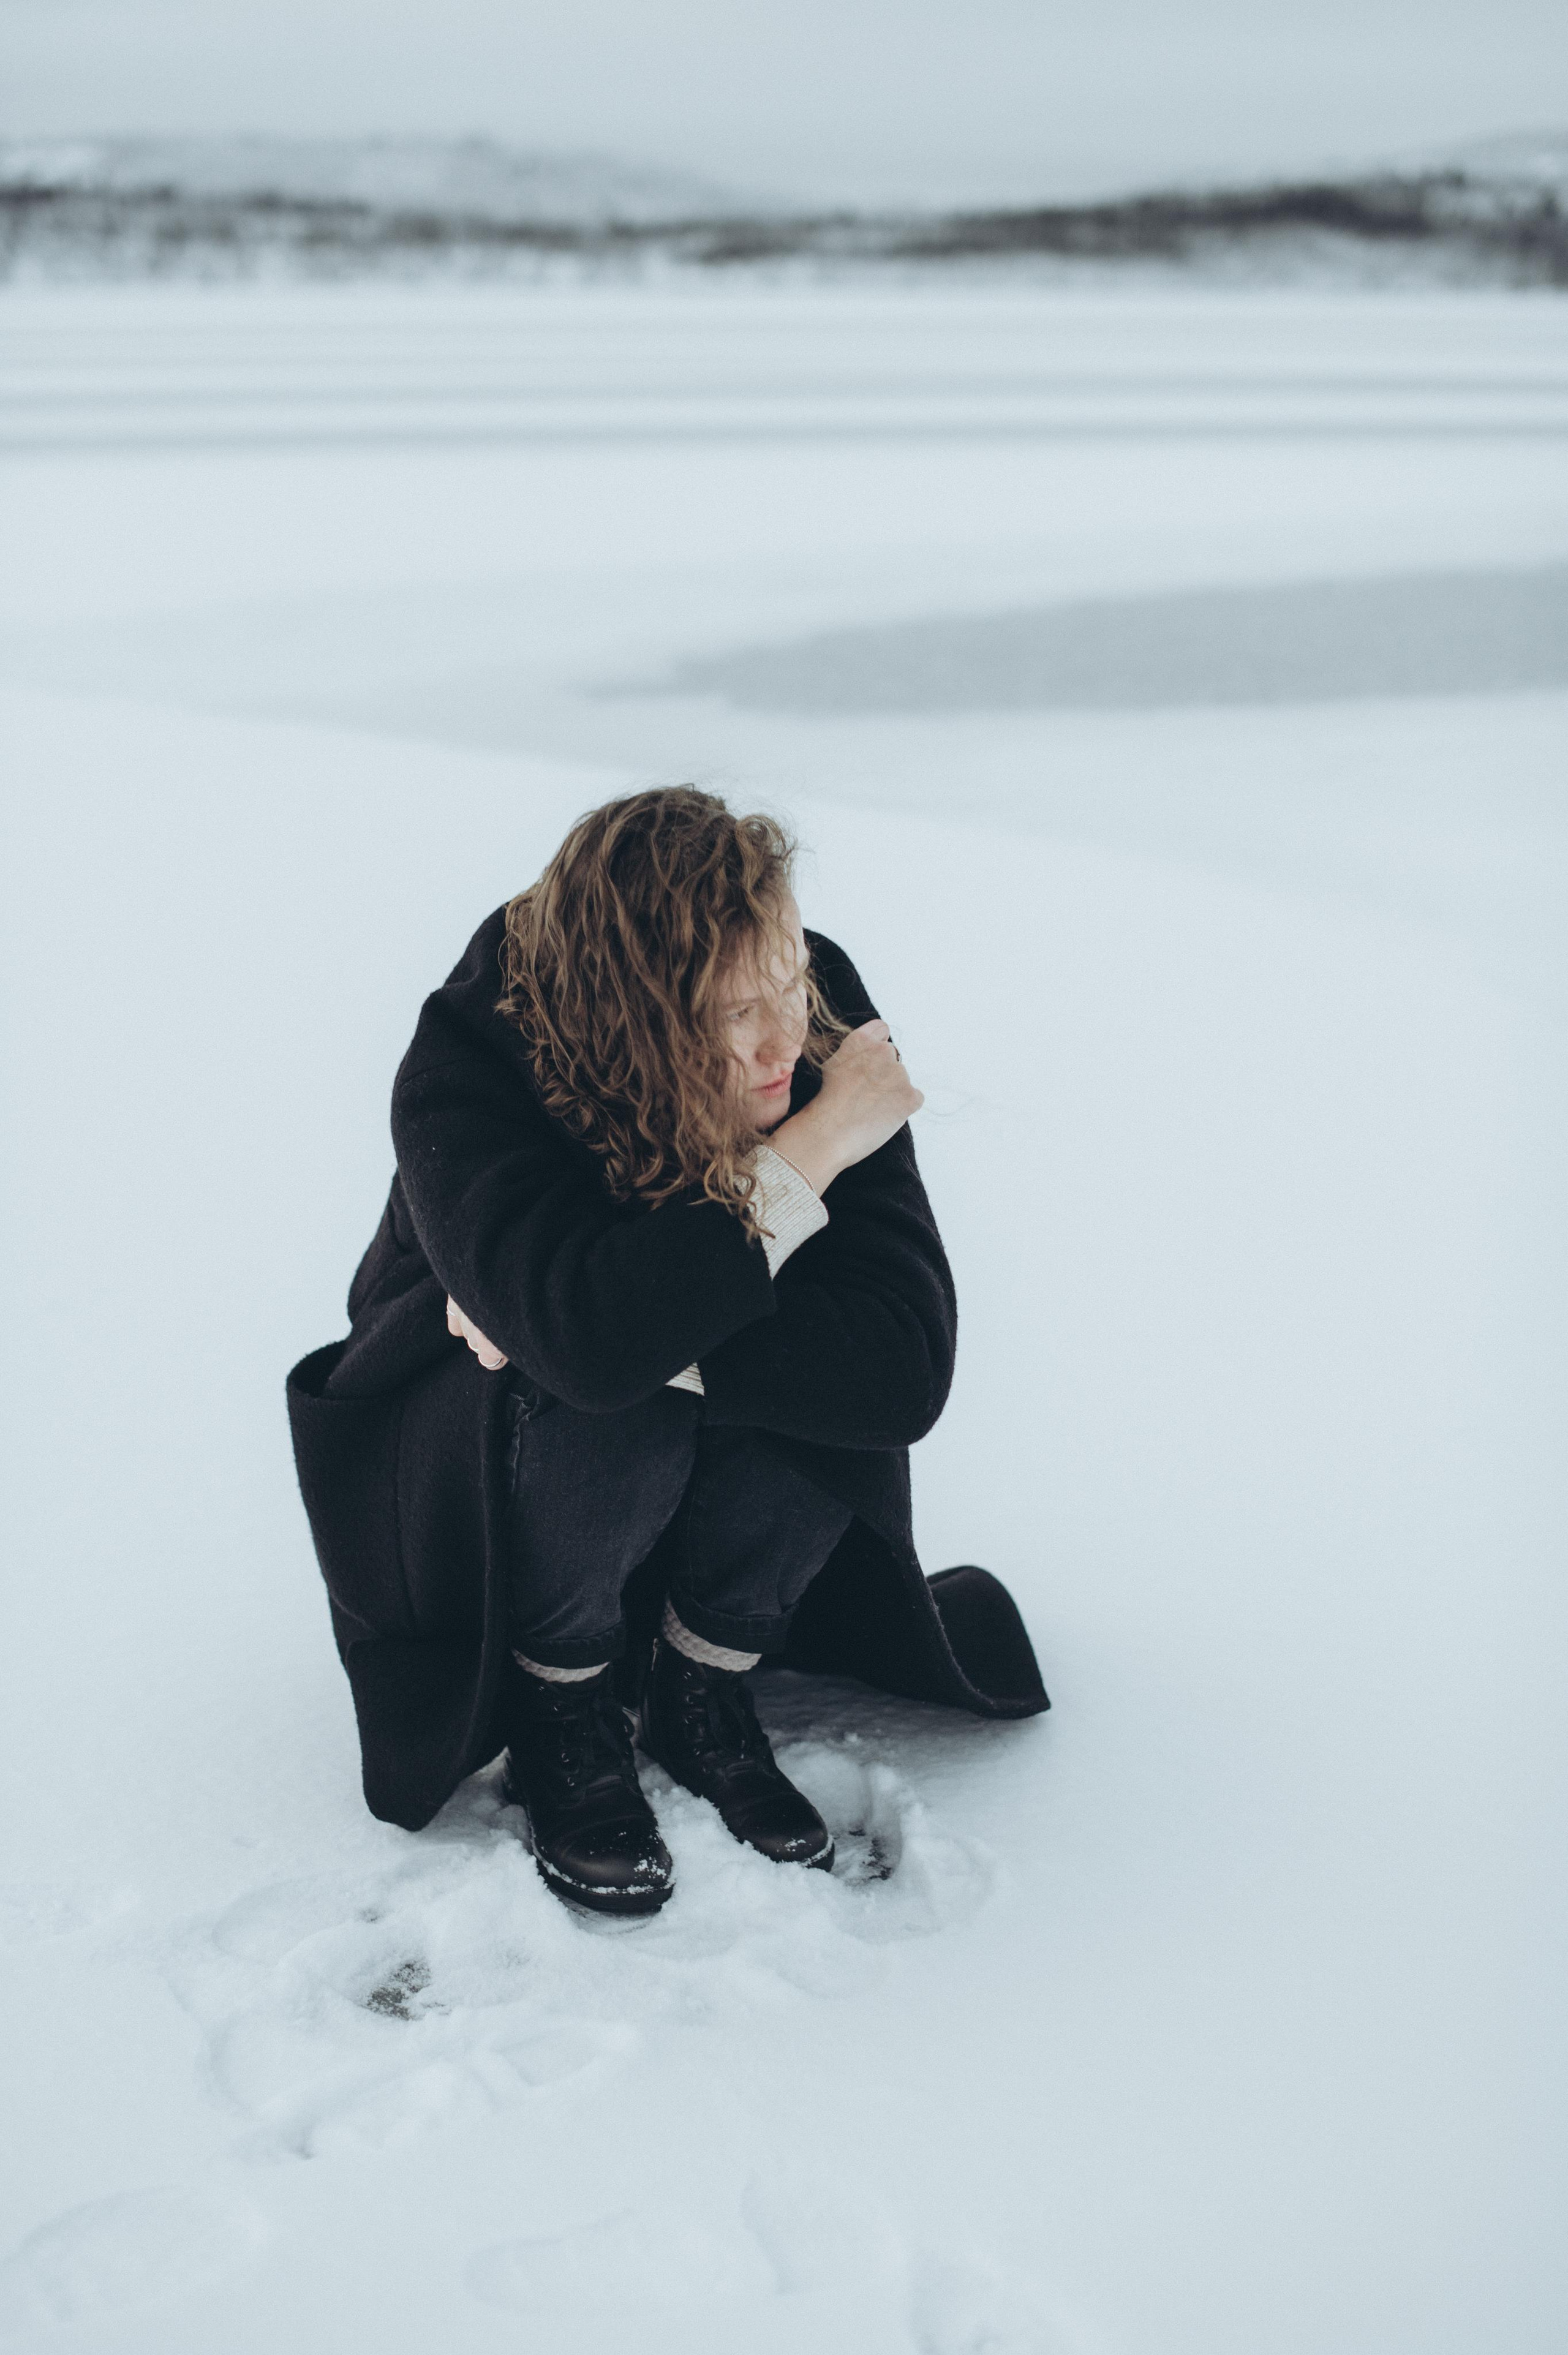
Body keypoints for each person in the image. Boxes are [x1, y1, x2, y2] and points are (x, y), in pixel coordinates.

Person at [287, 788, 1047, 1919]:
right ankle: (565, 1705)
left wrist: (628, 1320)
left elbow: (900, 1364)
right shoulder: (474, 1051)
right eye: (735, 1012)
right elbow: (598, 1361)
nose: (784, 1040)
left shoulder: (811, 1005)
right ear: (627, 1014)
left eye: (788, 986)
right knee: (616, 1397)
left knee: (788, 1384)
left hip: (637, 1419)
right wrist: (813, 1155)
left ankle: (705, 1679)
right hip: (476, 1463)